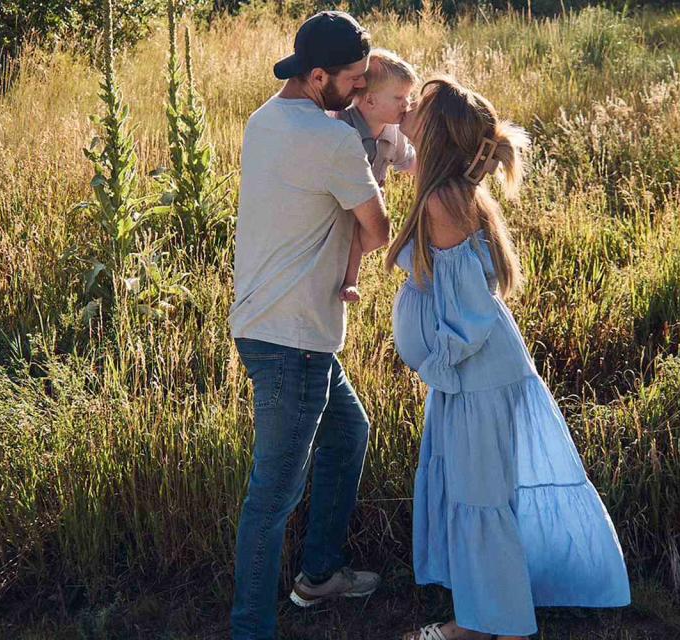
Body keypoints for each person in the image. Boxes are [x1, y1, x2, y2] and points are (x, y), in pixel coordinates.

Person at [389, 77, 631, 640]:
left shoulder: (444, 202)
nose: (410, 110)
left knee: (480, 501)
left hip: (474, 376)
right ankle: (483, 616)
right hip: (475, 377)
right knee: (477, 495)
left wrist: (439, 365)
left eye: (418, 107)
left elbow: (469, 313)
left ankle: (484, 627)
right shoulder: (450, 190)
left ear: (436, 133)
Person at [226, 11, 391, 640]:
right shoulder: (332, 142)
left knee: (349, 432)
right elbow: (376, 231)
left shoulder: (262, 121)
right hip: (292, 339)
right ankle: (252, 630)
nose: (356, 92)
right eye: (351, 81)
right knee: (272, 497)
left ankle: (319, 574)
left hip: (268, 324)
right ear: (317, 75)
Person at [333, 48, 419, 303]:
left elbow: (410, 163)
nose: (407, 104)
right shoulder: (341, 125)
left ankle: (347, 275)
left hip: (369, 199)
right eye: (399, 97)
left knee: (367, 233)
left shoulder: (395, 133)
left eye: (409, 96)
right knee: (347, 231)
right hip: (339, 197)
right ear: (370, 101)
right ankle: (349, 281)